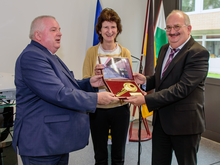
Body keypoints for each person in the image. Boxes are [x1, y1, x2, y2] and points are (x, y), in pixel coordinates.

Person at [12, 15, 119, 165]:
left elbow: (68, 86)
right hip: (41, 143)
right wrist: (96, 99)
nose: (60, 33)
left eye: (59, 29)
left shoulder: (49, 56)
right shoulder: (32, 57)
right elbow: (58, 93)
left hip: (56, 140)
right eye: (53, 30)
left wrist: (90, 83)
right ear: (38, 35)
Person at [125, 10, 209, 165]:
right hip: (162, 122)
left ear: (188, 28)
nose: (172, 32)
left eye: (177, 27)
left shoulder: (198, 53)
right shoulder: (164, 49)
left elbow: (181, 88)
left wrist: (145, 99)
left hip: (185, 126)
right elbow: (162, 79)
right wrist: (145, 81)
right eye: (168, 28)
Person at [83, 8, 132, 165]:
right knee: (100, 156)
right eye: (106, 27)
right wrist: (94, 77)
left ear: (118, 29)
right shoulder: (92, 52)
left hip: (120, 108)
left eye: (113, 27)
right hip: (98, 110)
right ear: (99, 30)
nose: (109, 31)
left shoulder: (125, 52)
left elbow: (129, 85)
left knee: (119, 156)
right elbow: (85, 82)